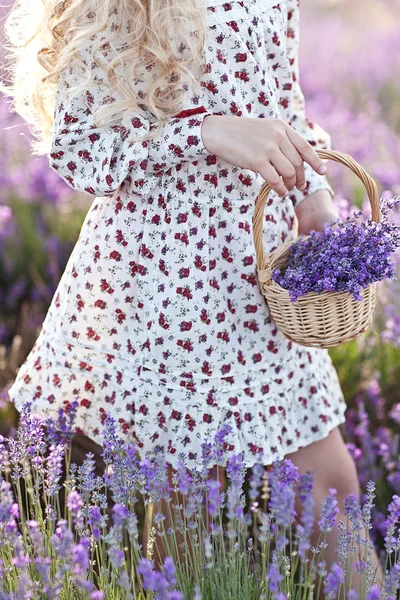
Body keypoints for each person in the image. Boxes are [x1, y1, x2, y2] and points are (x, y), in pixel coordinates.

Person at [3, 0, 383, 588]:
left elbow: (282, 101)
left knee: (331, 482)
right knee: (188, 522)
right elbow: (78, 146)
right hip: (169, 288)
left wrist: (312, 192)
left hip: (259, 271)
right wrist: (204, 133)